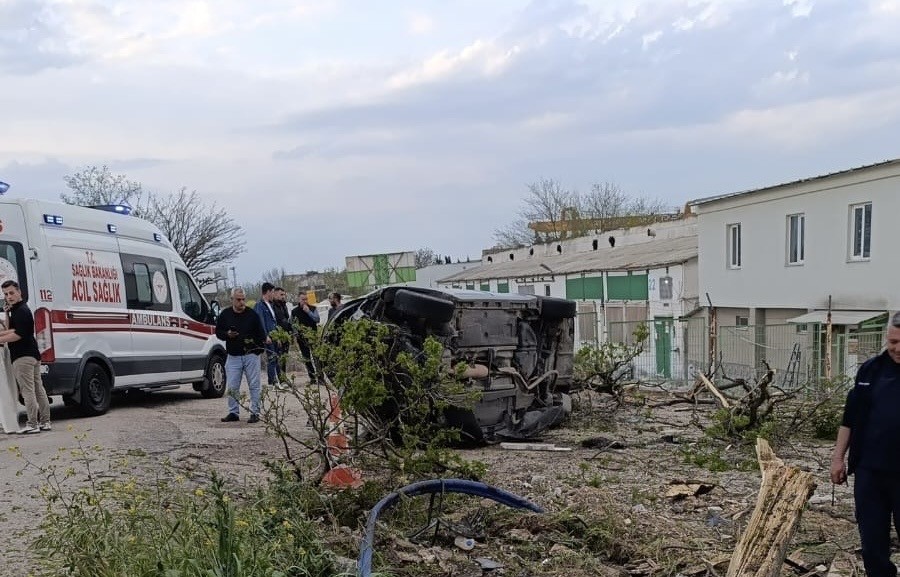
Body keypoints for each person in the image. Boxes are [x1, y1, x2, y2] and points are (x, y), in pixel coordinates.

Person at [831, 311, 900, 577]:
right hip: (869, 471)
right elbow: (850, 418)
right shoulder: (871, 369)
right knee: (872, 544)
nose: (897, 348)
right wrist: (838, 458)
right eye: (893, 342)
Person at [0, 280, 50, 434]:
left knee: (27, 390)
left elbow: (18, 334)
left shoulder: (21, 311)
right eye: (6, 294)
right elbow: (11, 329)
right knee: (38, 389)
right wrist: (6, 313)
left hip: (22, 356)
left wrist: (1, 339)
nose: (9, 297)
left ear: (19, 292)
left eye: (11, 293)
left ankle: (32, 424)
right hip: (32, 354)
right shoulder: (18, 310)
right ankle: (45, 422)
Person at [216, 287, 266, 423]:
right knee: (232, 386)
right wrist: (227, 334)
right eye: (238, 299)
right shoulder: (225, 315)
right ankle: (233, 412)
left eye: (243, 299)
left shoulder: (252, 315)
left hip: (251, 355)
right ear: (232, 299)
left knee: (254, 385)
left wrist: (258, 351)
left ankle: (255, 412)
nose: (242, 302)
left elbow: (261, 334)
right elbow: (218, 332)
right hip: (233, 356)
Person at [290, 291, 320, 384]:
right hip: (302, 339)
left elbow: (317, 319)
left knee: (316, 357)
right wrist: (295, 334)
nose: (305, 301)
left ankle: (320, 377)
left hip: (313, 336)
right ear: (299, 299)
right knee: (306, 359)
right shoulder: (294, 311)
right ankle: (312, 378)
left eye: (306, 299)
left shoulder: (313, 308)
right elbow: (293, 324)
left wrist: (308, 312)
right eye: (303, 299)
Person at [253, 282, 279, 387]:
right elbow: (261, 321)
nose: (273, 294)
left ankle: (277, 379)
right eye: (272, 292)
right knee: (272, 358)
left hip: (275, 336)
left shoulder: (270, 305)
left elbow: (274, 321)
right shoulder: (260, 305)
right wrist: (265, 335)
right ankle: (272, 381)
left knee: (276, 358)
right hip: (268, 337)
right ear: (267, 292)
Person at [272, 287, 292, 386]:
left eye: (284, 295)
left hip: (286, 335)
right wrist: (277, 337)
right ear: (275, 294)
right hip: (278, 336)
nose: (283, 296)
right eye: (281, 295)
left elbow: (287, 319)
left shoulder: (283, 305)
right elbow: (274, 322)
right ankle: (278, 378)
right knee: (278, 357)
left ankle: (283, 377)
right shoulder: (272, 306)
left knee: (284, 357)